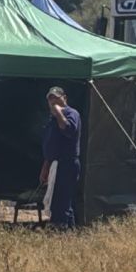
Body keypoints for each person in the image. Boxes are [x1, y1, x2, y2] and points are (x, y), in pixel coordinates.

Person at [40, 87, 82, 228]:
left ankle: (61, 230)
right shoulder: (52, 119)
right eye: (50, 99)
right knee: (55, 200)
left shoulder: (72, 113)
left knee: (62, 200)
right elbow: (52, 146)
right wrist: (45, 167)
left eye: (56, 98)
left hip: (68, 163)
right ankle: (66, 232)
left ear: (64, 98)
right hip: (55, 164)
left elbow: (69, 130)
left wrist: (58, 111)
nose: (52, 101)